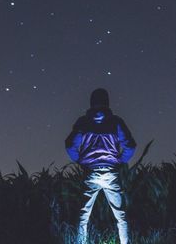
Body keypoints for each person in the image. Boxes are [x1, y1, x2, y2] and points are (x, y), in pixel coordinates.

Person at [65, 88, 137, 244]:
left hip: (91, 173)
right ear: (107, 102)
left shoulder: (83, 122)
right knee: (120, 215)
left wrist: (81, 161)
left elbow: (70, 145)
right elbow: (130, 146)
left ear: (91, 102)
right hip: (111, 172)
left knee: (83, 215)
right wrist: (120, 161)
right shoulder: (116, 122)